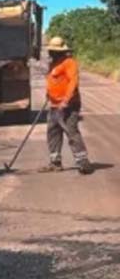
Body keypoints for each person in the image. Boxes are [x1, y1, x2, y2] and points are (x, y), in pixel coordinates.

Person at [42, 36, 93, 175]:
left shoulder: (69, 63)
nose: (50, 53)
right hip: (54, 105)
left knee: (71, 132)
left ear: (61, 51)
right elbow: (52, 81)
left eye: (54, 50)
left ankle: (83, 163)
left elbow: (73, 82)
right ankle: (55, 162)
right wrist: (49, 95)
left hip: (68, 106)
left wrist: (66, 100)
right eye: (50, 50)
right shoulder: (53, 63)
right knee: (53, 133)